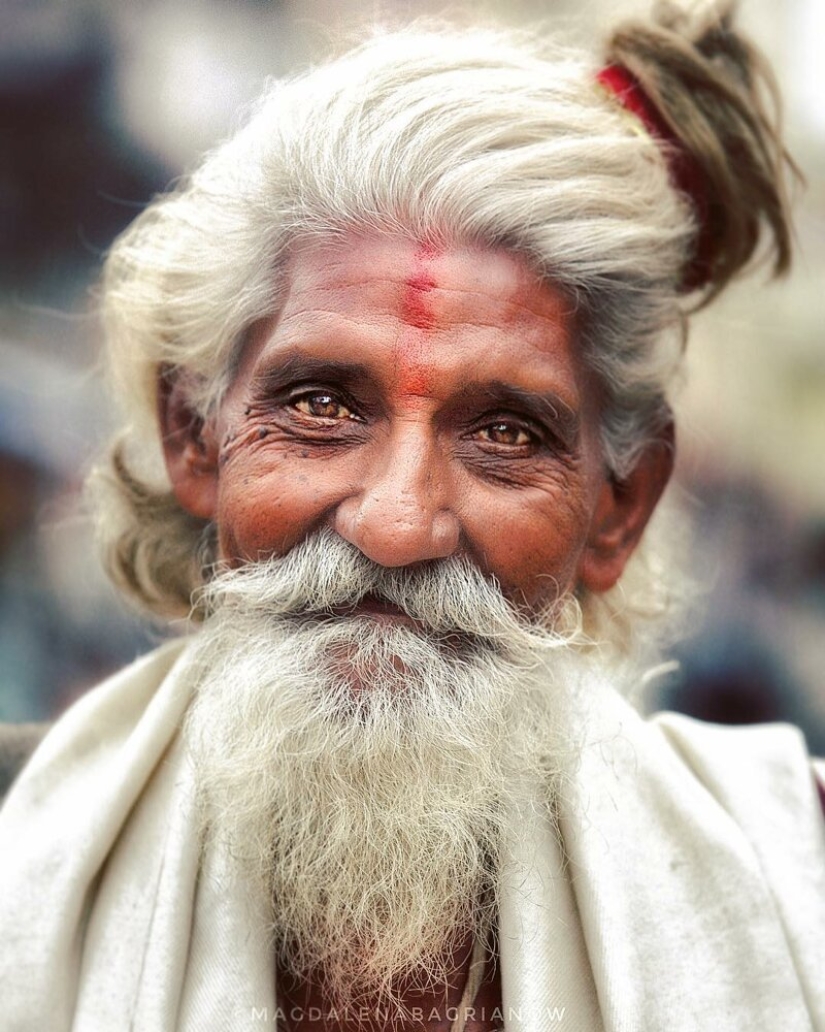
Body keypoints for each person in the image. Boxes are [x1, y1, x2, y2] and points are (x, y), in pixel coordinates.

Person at [1, 3, 824, 1030]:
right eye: (319, 407)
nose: (396, 524)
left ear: (619, 506)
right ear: (193, 433)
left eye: (508, 435)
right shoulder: (19, 855)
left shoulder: (800, 878)